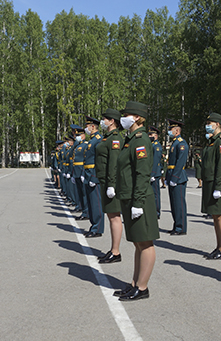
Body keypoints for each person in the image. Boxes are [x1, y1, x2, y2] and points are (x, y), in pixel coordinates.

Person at [113, 101, 159, 301]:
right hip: (129, 196)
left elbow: (142, 173)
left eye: (127, 114)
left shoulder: (140, 140)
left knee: (145, 243)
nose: (123, 118)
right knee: (138, 244)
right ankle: (134, 283)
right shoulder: (130, 139)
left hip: (138, 198)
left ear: (137, 118)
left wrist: (138, 203)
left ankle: (142, 287)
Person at [95, 109, 124, 263]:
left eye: (104, 119)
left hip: (110, 181)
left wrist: (112, 185)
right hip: (105, 180)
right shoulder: (107, 138)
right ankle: (113, 249)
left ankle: (116, 251)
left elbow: (114, 163)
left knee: (114, 217)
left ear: (112, 121)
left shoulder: (115, 138)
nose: (102, 121)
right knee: (111, 215)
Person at [201, 113, 221, 260]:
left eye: (210, 123)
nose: (207, 125)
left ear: (217, 124)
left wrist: (218, 186)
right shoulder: (211, 141)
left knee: (220, 216)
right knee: (215, 216)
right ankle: (218, 246)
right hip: (209, 181)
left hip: (216, 183)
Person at [165, 119, 189, 235]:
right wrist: (167, 177)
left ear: (177, 131)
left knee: (179, 204)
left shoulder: (181, 143)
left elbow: (180, 162)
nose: (169, 131)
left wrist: (174, 178)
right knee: (173, 204)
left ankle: (181, 227)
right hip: (172, 176)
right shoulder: (174, 143)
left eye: (171, 129)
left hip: (178, 178)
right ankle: (176, 225)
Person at [83, 116, 104, 238]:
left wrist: (95, 177)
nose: (86, 128)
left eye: (87, 126)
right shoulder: (91, 140)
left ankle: (98, 228)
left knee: (96, 203)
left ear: (92, 127)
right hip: (88, 174)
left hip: (93, 175)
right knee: (91, 203)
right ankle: (93, 226)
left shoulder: (98, 140)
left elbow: (99, 161)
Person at [148, 126, 163, 219]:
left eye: (151, 134)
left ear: (156, 136)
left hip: (154, 173)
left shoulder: (156, 145)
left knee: (155, 194)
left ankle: (157, 212)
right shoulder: (151, 144)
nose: (149, 136)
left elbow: (156, 160)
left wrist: (153, 173)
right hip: (150, 172)